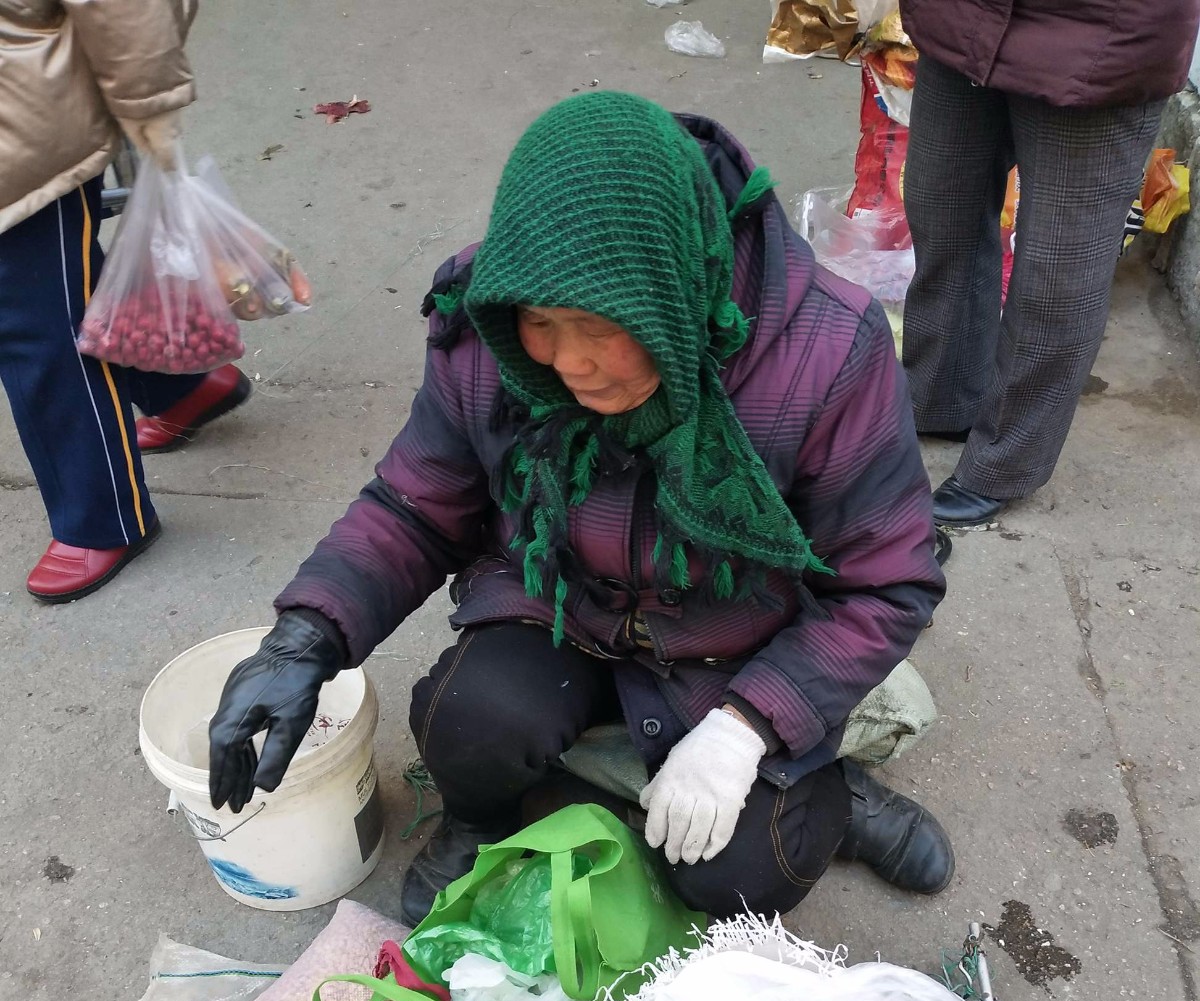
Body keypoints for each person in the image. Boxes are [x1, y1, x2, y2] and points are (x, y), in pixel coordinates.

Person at [206, 91, 953, 924]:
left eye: (601, 325)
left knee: (741, 878)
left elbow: (885, 587)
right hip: (559, 601)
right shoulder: (484, 325)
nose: (569, 363)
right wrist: (306, 638)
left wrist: (749, 727)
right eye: (540, 321)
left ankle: (833, 789)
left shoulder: (827, 350)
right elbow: (416, 504)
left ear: (670, 291)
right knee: (465, 724)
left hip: (735, 643)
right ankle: (480, 821)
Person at [899, 0, 1200, 525]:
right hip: (962, 19)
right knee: (941, 209)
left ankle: (1004, 461)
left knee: (1060, 268)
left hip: (1100, 35)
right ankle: (943, 398)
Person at [0, 0, 250, 602]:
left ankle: (102, 515)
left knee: (37, 322)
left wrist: (152, 116)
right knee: (52, 296)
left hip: (24, 130)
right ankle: (179, 387)